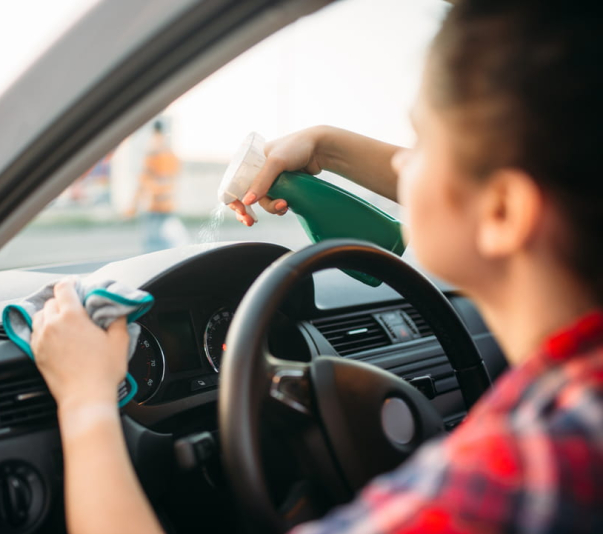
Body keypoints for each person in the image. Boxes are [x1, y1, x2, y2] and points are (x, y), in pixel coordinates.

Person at [30, 1, 603, 532]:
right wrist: (326, 147)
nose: (401, 162)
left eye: (422, 143)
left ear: (503, 211)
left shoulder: (511, 477)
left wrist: (85, 403)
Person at [126, 120, 184, 252]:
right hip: (167, 205)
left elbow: (142, 182)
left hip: (154, 205)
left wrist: (133, 205)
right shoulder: (171, 155)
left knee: (152, 244)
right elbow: (173, 179)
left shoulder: (152, 154)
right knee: (167, 241)